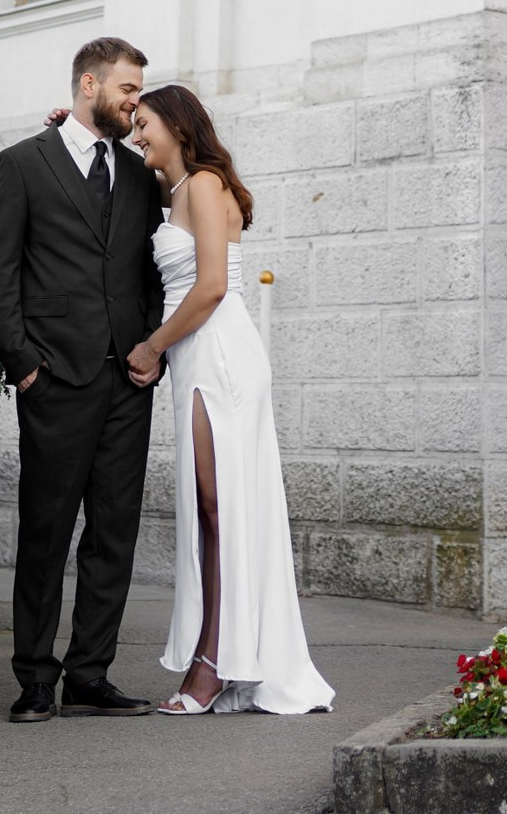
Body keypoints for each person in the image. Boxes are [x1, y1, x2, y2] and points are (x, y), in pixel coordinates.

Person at [124, 84, 334, 716]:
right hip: (195, 354)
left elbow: (212, 285)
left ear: (177, 126)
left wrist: (153, 346)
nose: (137, 135)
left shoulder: (205, 184)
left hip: (218, 351)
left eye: (145, 123)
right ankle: (221, 653)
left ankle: (215, 663)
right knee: (212, 509)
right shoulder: (173, 189)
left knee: (219, 508)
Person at [0, 35, 166, 722]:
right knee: (46, 531)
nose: (135, 102)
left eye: (138, 91)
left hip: (128, 380)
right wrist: (23, 364)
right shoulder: (23, 163)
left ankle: (90, 673)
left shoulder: (139, 175)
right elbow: (0, 274)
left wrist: (153, 348)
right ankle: (34, 679)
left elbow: (149, 272)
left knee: (114, 532)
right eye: (127, 89)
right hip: (55, 377)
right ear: (90, 84)